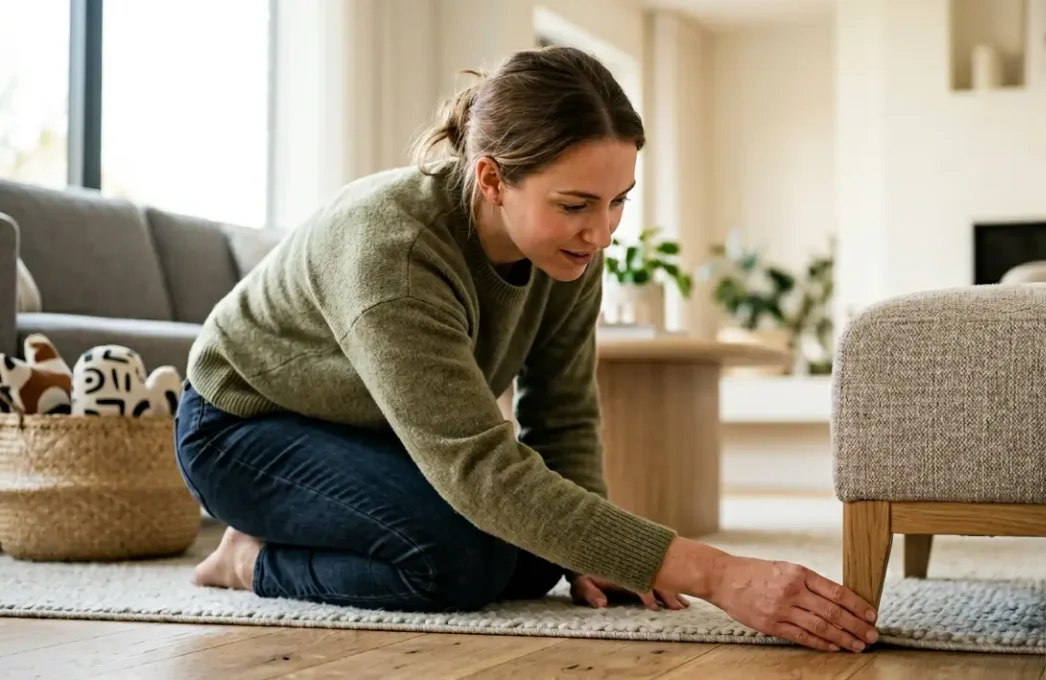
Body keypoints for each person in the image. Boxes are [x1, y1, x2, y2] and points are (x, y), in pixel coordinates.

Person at [173, 45, 879, 654]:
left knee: (536, 553)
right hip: (241, 430)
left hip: (375, 435)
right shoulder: (392, 249)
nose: (600, 232)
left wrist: (596, 559)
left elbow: (563, 415)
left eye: (618, 202)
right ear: (491, 178)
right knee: (452, 563)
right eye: (575, 205)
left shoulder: (572, 253)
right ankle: (250, 560)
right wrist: (717, 574)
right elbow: (479, 468)